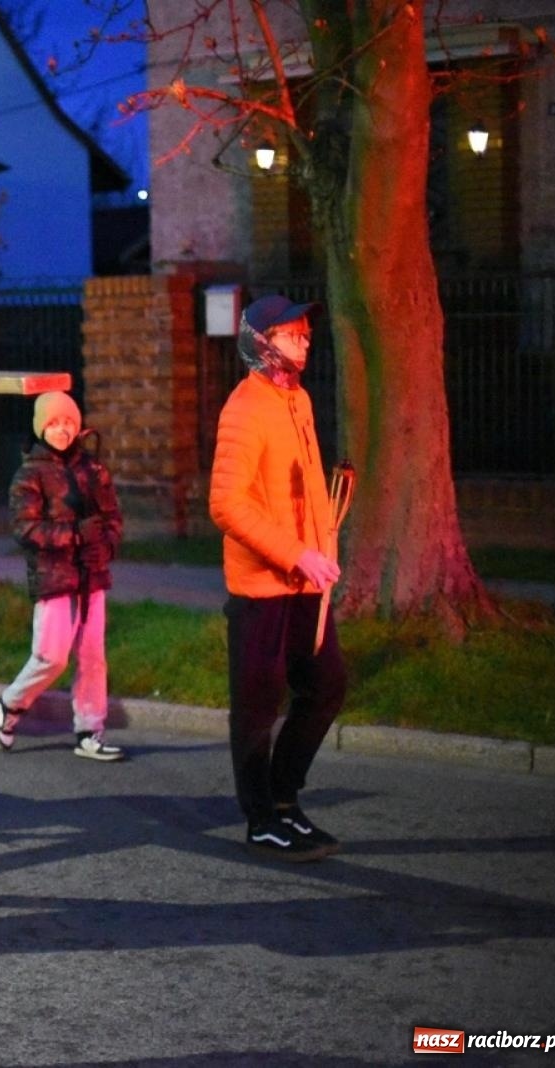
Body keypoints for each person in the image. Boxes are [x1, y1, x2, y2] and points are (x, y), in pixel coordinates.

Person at [209, 294, 347, 862]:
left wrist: (325, 547)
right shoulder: (245, 408)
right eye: (293, 334)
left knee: (326, 686)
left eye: (307, 333)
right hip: (263, 588)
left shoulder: (299, 400)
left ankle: (285, 800)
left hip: (307, 583)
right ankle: (261, 818)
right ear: (262, 343)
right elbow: (227, 504)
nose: (305, 342)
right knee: (258, 705)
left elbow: (305, 489)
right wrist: (295, 553)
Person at [0, 391, 126, 761]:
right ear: (40, 428)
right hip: (53, 577)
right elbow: (26, 530)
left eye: (67, 422)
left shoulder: (93, 469)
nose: (62, 430)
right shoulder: (29, 474)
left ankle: (89, 730)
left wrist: (106, 546)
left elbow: (112, 518)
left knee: (93, 655)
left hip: (91, 575)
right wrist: (75, 535)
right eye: (53, 423)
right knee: (51, 656)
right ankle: (9, 706)